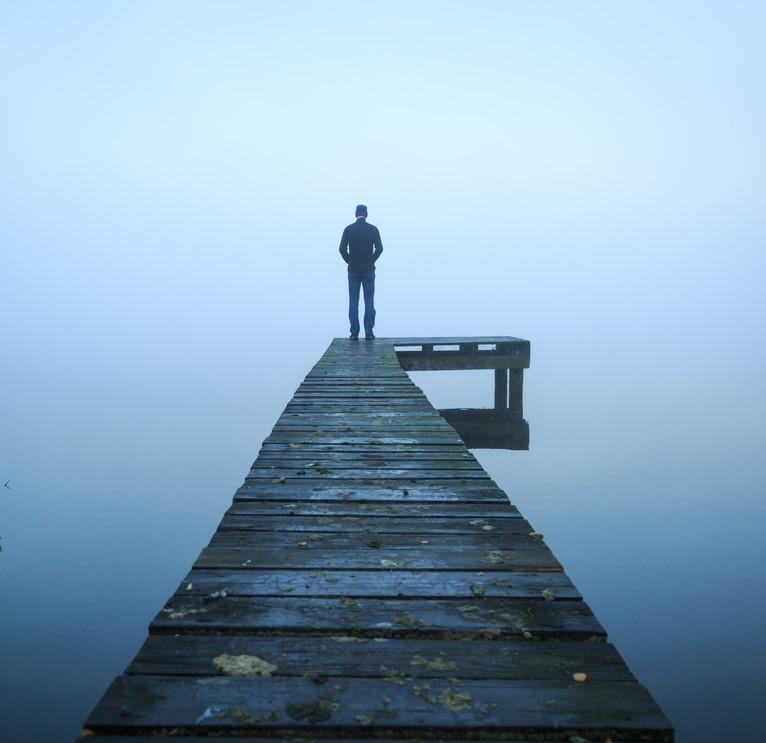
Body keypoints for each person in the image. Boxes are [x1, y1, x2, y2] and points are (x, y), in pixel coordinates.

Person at [338, 204, 383, 340]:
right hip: (369, 270)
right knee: (369, 301)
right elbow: (380, 248)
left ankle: (354, 333)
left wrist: (350, 261)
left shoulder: (348, 229)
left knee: (353, 302)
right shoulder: (373, 229)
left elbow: (341, 249)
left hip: (353, 270)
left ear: (355, 214)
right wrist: (371, 261)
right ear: (366, 214)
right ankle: (369, 332)